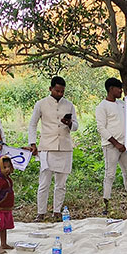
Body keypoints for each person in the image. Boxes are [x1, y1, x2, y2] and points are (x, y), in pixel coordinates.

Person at [28, 76, 79, 221]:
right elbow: (32, 124)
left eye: (62, 91)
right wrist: (32, 143)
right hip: (47, 147)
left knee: (61, 183)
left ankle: (57, 211)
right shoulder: (41, 104)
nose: (60, 94)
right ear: (50, 89)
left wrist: (69, 123)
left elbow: (76, 126)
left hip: (64, 147)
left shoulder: (69, 105)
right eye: (57, 91)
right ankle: (41, 212)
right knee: (44, 182)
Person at [95, 78, 127, 216]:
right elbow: (101, 128)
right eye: (119, 88)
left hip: (125, 146)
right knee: (110, 174)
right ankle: (105, 204)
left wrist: (126, 143)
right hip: (111, 146)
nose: (121, 91)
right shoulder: (102, 106)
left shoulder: (122, 104)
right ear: (111, 89)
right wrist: (116, 143)